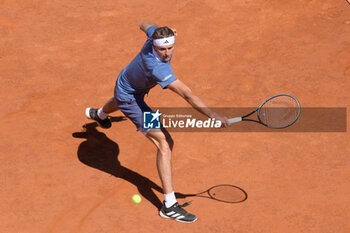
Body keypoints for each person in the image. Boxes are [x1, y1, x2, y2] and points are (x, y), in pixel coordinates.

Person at [85, 22, 229, 223]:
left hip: (129, 85)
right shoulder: (157, 68)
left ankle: (99, 115)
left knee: (123, 96)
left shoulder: (154, 36)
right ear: (154, 45)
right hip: (130, 98)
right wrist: (212, 115)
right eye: (162, 49)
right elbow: (187, 95)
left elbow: (143, 24)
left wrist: (165, 28)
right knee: (164, 142)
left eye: (170, 47)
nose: (167, 53)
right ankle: (169, 206)